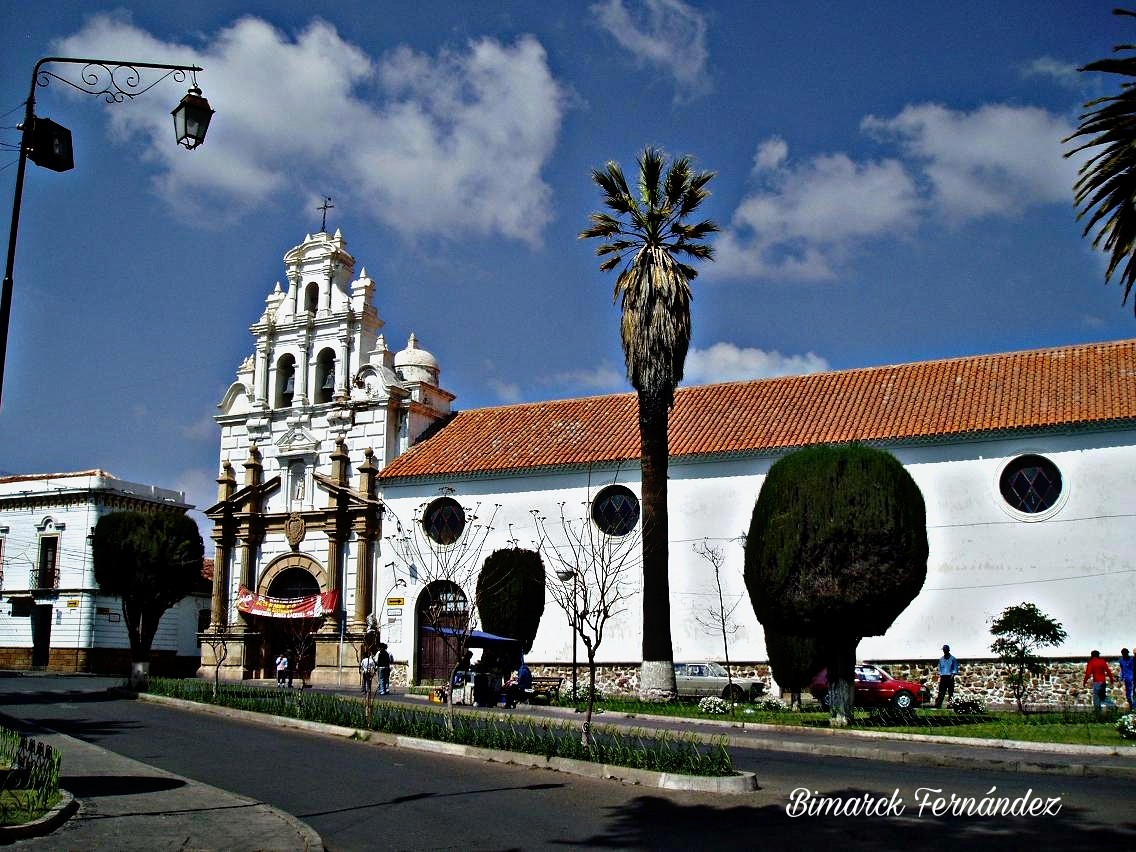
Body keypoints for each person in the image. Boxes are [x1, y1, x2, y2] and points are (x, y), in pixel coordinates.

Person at [934, 644, 959, 708]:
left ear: (948, 650)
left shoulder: (953, 659)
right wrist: (940, 676)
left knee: (950, 692)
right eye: (943, 650)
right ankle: (939, 704)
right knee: (941, 692)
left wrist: (952, 675)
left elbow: (955, 668)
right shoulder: (941, 659)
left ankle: (950, 705)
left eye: (945, 650)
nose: (944, 651)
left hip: (950, 677)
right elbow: (940, 669)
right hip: (943, 677)